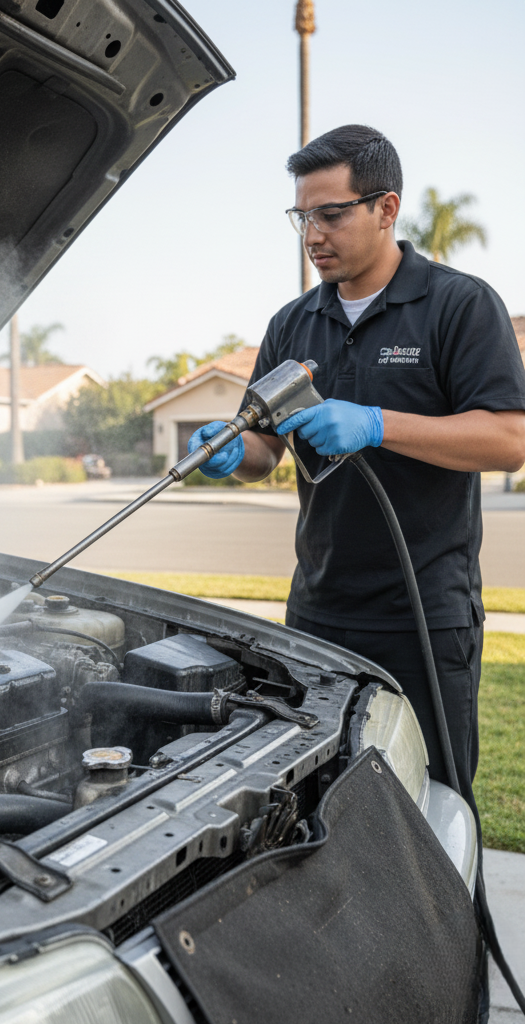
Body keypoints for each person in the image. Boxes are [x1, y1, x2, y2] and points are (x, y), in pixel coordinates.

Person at [188, 125, 525, 799]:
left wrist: (376, 424)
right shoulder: (293, 323)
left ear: (386, 208)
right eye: (302, 217)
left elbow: (508, 438)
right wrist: (232, 449)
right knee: (315, 795)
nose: (313, 235)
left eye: (331, 215)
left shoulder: (457, 304)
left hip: (424, 615)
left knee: (426, 799)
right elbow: (267, 451)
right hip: (317, 610)